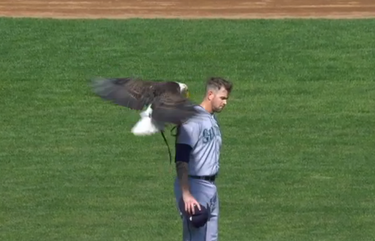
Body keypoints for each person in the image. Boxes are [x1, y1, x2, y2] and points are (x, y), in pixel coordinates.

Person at [173, 77, 233, 241]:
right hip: (194, 186)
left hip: (210, 187)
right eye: (223, 98)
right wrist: (186, 194)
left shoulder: (211, 119)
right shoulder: (193, 120)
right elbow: (181, 158)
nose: (225, 103)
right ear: (210, 95)